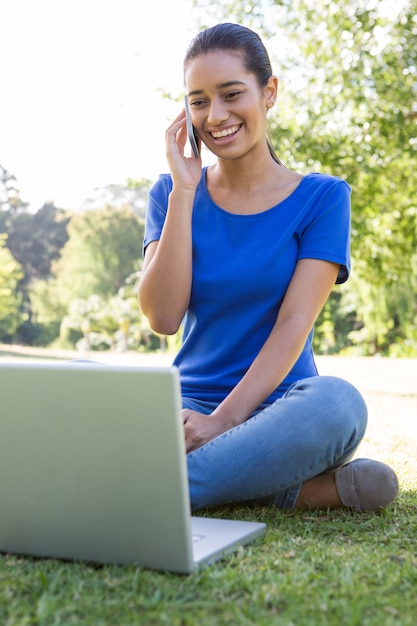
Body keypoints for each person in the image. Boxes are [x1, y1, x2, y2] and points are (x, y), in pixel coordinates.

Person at [138, 23, 399, 513]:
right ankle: (291, 491)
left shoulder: (322, 198)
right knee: (72, 383)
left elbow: (294, 324)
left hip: (283, 415)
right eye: (198, 101)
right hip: (184, 411)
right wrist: (184, 192)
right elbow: (162, 319)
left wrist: (224, 422)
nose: (215, 116)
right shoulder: (171, 193)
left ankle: (149, 486)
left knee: (340, 402)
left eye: (231, 94)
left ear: (269, 92)